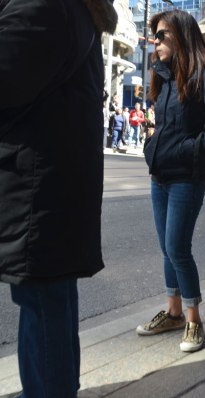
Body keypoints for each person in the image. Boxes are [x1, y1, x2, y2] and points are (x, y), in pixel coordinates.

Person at [0, 1, 117, 396]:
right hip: (47, 188)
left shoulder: (46, 5)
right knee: (49, 303)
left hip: (39, 189)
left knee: (44, 306)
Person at [139, 9, 205, 351]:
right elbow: (166, 122)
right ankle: (173, 312)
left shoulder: (203, 74)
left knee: (178, 248)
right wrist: (154, 143)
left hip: (186, 178)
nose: (156, 41)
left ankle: (194, 320)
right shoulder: (164, 76)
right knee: (167, 248)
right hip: (160, 175)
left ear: (180, 36)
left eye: (162, 35)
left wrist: (185, 149)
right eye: (155, 35)